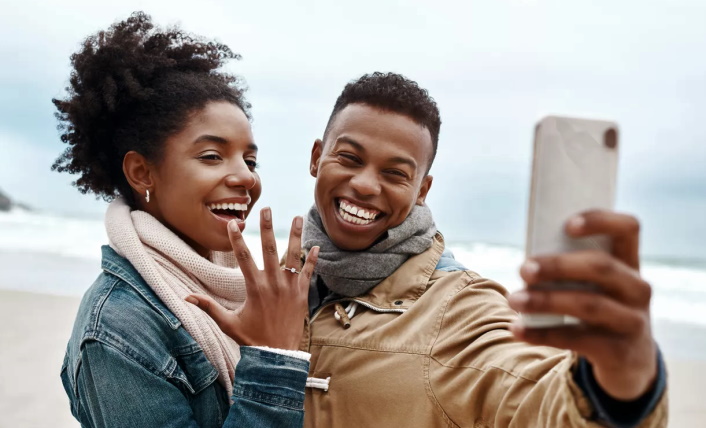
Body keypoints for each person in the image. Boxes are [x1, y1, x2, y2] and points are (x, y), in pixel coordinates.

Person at [268, 72, 666, 427]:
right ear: (317, 157)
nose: (367, 185)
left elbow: (537, 397)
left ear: (422, 190)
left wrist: (622, 386)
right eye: (349, 158)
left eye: (395, 173)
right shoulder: (268, 285)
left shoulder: (460, 310)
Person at [57, 12, 319, 427]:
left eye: (250, 159)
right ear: (143, 173)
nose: (246, 176)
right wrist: (273, 358)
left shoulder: (252, 294)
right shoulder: (116, 330)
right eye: (212, 156)